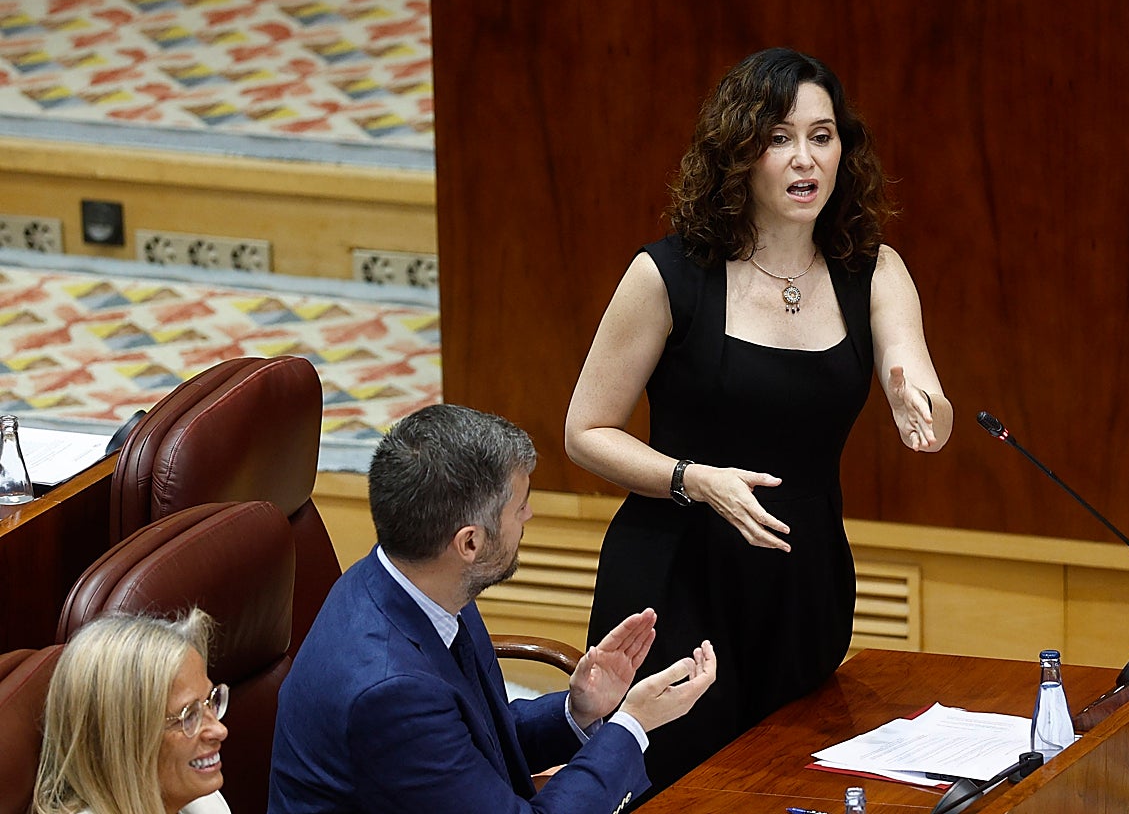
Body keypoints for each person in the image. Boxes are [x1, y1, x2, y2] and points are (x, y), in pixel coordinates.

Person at [565, 47, 954, 793]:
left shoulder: (874, 272)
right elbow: (585, 431)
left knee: (789, 790)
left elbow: (922, 393)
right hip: (676, 580)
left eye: (822, 134)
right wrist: (694, 480)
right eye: (779, 138)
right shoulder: (669, 275)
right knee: (684, 796)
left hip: (801, 583)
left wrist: (919, 406)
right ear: (739, 154)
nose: (805, 157)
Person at [268, 403, 717, 814]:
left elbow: (472, 739)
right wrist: (631, 726)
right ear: (470, 542)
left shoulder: (409, 579)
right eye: (519, 507)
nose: (529, 516)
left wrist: (577, 711)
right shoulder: (392, 692)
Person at [33, 609, 231, 814]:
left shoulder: (202, 803)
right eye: (189, 715)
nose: (220, 730)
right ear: (123, 740)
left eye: (210, 701)